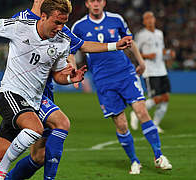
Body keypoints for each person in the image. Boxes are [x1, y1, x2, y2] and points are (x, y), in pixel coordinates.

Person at [0, 0, 132, 179]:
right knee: (37, 129)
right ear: (43, 15)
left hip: (32, 102)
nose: (61, 27)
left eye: (64, 23)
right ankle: (2, 171)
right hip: (10, 94)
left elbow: (59, 75)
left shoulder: (63, 40)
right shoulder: (19, 25)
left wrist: (71, 77)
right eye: (57, 22)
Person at [71, 0, 172, 174]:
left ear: (103, 2)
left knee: (142, 111)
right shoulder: (79, 27)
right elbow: (71, 52)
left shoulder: (116, 19)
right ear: (87, 3)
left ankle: (159, 156)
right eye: (92, 1)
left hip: (125, 73)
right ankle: (134, 161)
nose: (96, 4)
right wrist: (73, 71)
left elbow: (129, 42)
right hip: (103, 80)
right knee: (122, 124)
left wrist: (140, 62)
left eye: (99, 0)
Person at [130, 11, 176, 134]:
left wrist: (168, 54)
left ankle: (155, 124)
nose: (150, 20)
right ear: (144, 21)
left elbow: (160, 52)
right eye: (147, 18)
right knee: (156, 97)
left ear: (154, 19)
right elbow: (135, 52)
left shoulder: (159, 33)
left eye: (151, 17)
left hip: (162, 70)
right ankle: (136, 113)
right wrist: (146, 55)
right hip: (150, 71)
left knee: (165, 98)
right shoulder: (141, 35)